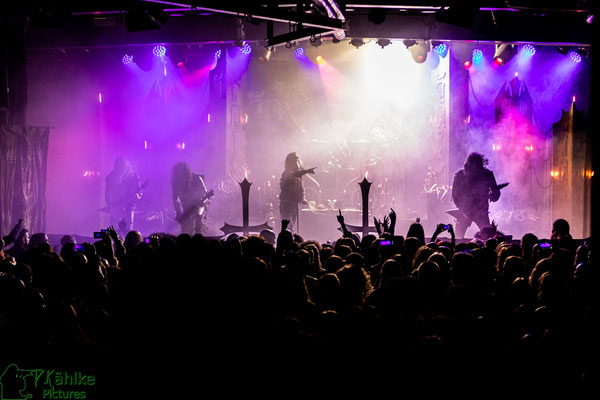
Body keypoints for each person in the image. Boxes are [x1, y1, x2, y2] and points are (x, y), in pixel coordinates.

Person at [451, 152, 503, 239]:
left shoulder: (487, 174)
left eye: (477, 166)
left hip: (481, 211)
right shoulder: (459, 176)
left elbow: (495, 195)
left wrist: (494, 195)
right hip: (464, 211)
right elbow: (455, 196)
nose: (474, 169)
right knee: (457, 237)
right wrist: (464, 210)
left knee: (488, 237)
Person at [171, 162, 213, 236]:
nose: (181, 176)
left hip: (198, 207)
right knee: (185, 231)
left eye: (182, 173)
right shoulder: (176, 182)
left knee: (198, 227)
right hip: (186, 209)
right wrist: (178, 212)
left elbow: (204, 193)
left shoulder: (197, 178)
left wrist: (202, 203)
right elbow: (175, 199)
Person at [279, 152, 316, 232]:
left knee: (292, 227)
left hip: (295, 204)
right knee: (288, 227)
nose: (296, 160)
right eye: (294, 158)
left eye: (297, 158)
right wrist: (307, 171)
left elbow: (301, 187)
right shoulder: (287, 172)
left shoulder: (298, 175)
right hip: (286, 204)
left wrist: (303, 198)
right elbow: (294, 174)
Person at [105, 157, 143, 231]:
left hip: (129, 206)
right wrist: (110, 205)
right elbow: (107, 193)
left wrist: (135, 197)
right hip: (116, 205)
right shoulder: (111, 177)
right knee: (114, 227)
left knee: (128, 227)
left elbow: (139, 193)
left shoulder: (133, 176)